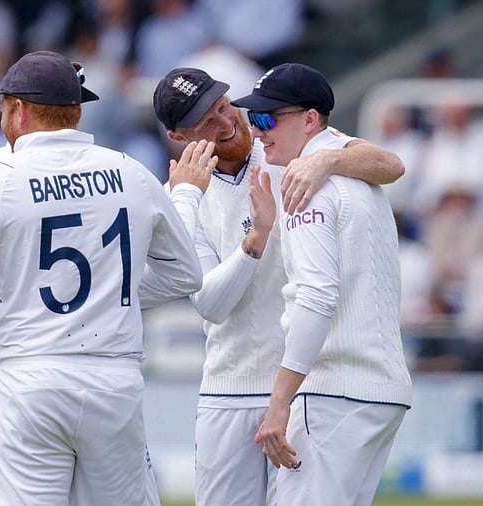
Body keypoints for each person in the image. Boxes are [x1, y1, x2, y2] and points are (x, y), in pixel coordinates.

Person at [0, 50, 207, 505]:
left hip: (27, 377)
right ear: (75, 111)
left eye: (3, 107)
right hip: (114, 378)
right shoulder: (129, 172)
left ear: (18, 109)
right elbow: (185, 275)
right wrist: (114, 294)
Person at [151, 66, 405, 506]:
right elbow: (210, 302)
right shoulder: (181, 193)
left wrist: (327, 159)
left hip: (302, 384)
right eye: (207, 121)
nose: (229, 123)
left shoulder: (286, 147)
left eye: (224, 106)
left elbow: (391, 164)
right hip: (230, 386)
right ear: (179, 137)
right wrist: (254, 242)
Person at [233, 63, 412, 506]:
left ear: (310, 119)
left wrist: (280, 402)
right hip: (380, 391)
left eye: (268, 118)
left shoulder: (304, 183)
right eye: (253, 119)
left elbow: (316, 298)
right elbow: (390, 163)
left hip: (334, 391)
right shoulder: (353, 167)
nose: (257, 132)